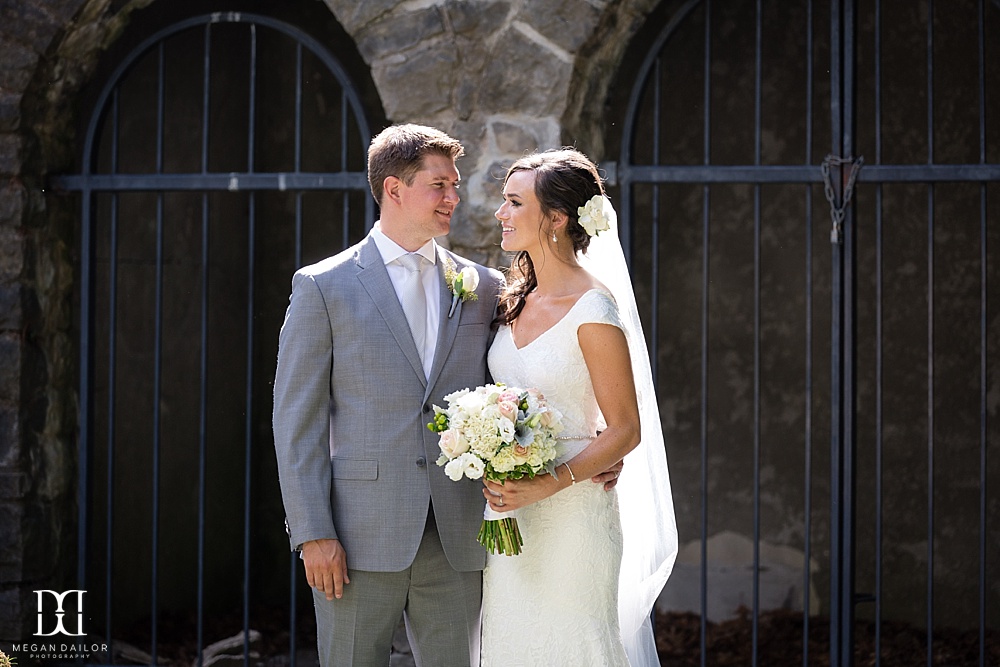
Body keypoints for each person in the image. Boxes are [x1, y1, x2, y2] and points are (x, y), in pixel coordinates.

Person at [272, 126, 621, 666]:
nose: (455, 198)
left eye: (454, 185)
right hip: (359, 537)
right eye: (440, 185)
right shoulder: (323, 287)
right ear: (394, 190)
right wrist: (313, 532)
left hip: (462, 536)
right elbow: (296, 420)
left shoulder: (485, 288)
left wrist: (591, 444)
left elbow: (530, 380)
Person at [481, 149, 678, 666]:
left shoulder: (594, 308)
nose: (500, 213)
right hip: (509, 515)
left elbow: (625, 428)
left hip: (573, 514)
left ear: (556, 219)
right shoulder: (510, 299)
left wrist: (551, 482)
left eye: (513, 202)